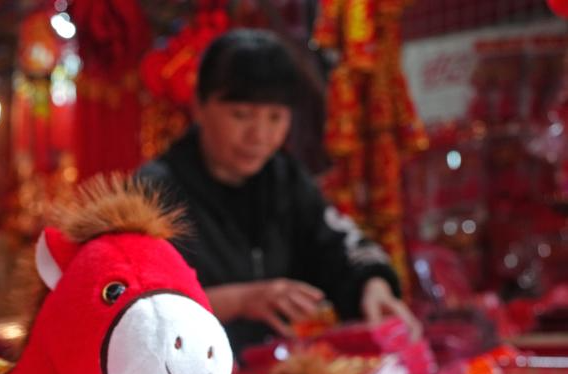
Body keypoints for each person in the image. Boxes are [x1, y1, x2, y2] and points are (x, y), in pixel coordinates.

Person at [138, 29, 419, 355]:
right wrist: (240, 300)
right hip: (188, 373)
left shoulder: (285, 178)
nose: (259, 135)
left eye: (275, 117)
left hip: (283, 369)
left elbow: (338, 246)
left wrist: (373, 286)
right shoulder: (154, 192)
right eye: (241, 115)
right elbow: (139, 306)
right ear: (199, 105)